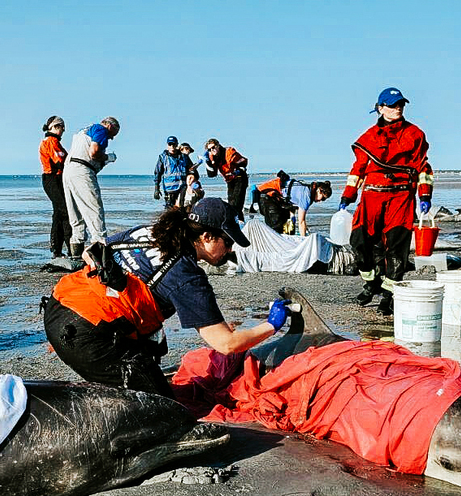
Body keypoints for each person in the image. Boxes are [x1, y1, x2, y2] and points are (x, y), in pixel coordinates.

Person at [42, 198, 288, 397]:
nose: (231, 249)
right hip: (86, 336)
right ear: (207, 237)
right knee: (163, 409)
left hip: (57, 307)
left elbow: (91, 251)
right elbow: (226, 344)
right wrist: (272, 325)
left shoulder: (151, 232)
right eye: (228, 241)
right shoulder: (187, 275)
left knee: (149, 352)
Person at [337, 86, 434, 315]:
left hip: (400, 195)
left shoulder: (415, 134)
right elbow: (358, 168)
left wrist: (425, 194)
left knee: (396, 247)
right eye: (392, 105)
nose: (397, 108)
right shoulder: (368, 137)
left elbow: (423, 167)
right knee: (360, 242)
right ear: (380, 108)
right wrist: (348, 195)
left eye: (400, 104)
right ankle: (371, 283)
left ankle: (390, 294)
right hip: (372, 195)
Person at [63, 116, 120, 257]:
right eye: (113, 134)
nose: (111, 139)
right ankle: (100, 253)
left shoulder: (84, 131)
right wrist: (108, 157)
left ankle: (76, 254)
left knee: (75, 215)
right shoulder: (101, 129)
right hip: (82, 170)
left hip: (68, 170)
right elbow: (94, 153)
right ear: (109, 126)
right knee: (94, 211)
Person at [252, 173, 332, 235]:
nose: (321, 201)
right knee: (277, 227)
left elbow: (291, 204)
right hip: (265, 195)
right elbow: (301, 222)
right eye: (323, 198)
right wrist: (304, 240)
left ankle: (287, 243)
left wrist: (292, 217)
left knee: (289, 227)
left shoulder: (307, 190)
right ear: (319, 191)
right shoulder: (306, 196)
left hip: (276, 199)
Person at [39, 116, 70, 257]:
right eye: (61, 126)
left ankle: (57, 250)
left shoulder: (56, 142)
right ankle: (70, 247)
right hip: (52, 179)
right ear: (54, 127)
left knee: (59, 213)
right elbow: (59, 161)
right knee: (65, 212)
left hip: (57, 179)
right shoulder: (50, 142)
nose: (63, 130)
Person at [203, 139, 250, 220]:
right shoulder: (212, 157)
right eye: (209, 149)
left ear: (218, 145)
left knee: (236, 204)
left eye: (213, 147)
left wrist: (238, 171)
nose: (212, 150)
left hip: (240, 178)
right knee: (231, 204)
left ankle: (238, 223)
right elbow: (212, 175)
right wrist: (208, 162)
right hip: (229, 181)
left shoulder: (229, 152)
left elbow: (244, 163)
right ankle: (237, 223)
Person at [154, 136, 194, 208]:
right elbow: (158, 173)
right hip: (169, 189)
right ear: (167, 145)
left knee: (182, 207)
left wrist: (192, 180)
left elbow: (192, 170)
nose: (172, 146)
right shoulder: (162, 157)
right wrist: (156, 189)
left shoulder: (184, 157)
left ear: (177, 145)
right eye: (170, 144)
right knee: (170, 208)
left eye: (174, 144)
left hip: (183, 187)